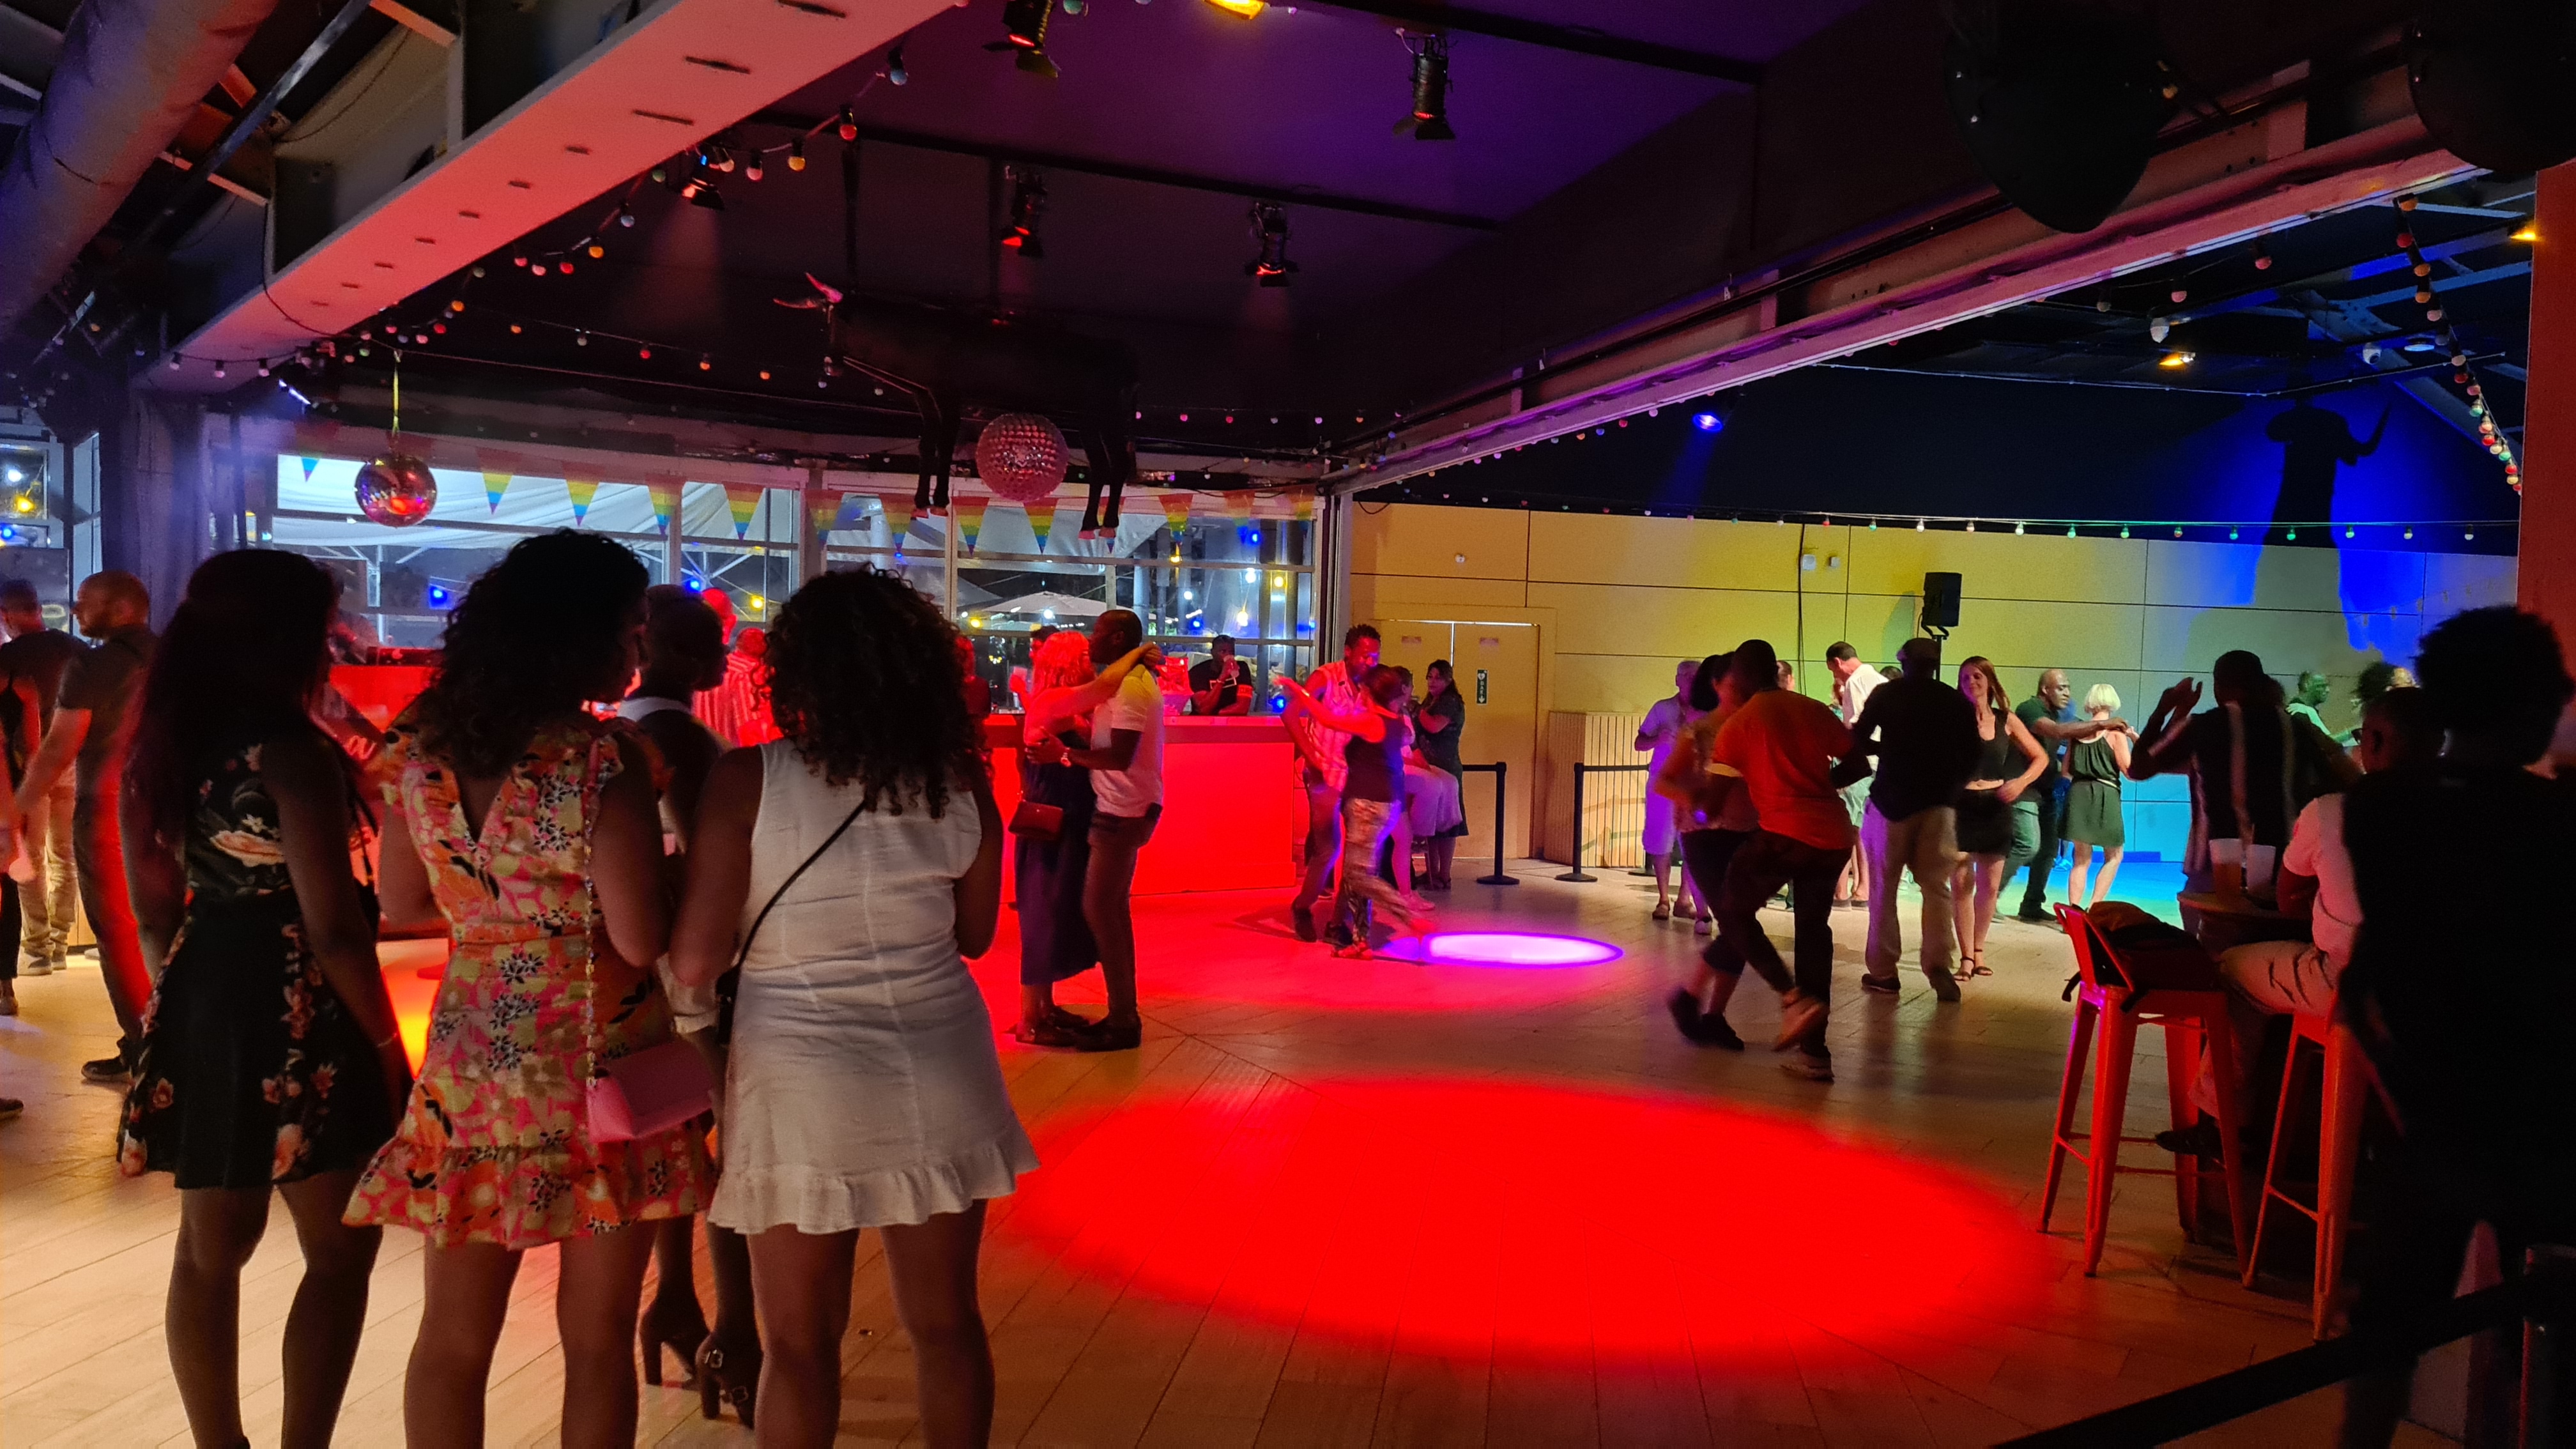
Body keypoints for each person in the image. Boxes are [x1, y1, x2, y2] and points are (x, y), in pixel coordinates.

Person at [345, 533, 712, 1449]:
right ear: (581, 634)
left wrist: (493, 913)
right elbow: (638, 937)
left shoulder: (421, 742)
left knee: (452, 1339)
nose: (637, 648)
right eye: (630, 627)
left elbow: (401, 902)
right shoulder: (599, 759)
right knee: (595, 1342)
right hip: (599, 1066)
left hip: (471, 1059)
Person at [670, 567, 1033, 1449]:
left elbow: (697, 960)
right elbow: (976, 935)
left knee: (799, 1347)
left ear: (797, 672)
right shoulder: (958, 781)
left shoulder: (749, 780)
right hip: (939, 1061)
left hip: (798, 1077)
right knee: (947, 1325)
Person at [111, 550, 408, 1449]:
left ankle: (220, 1446)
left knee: (210, 1248)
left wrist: (181, 1009)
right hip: (303, 998)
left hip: (207, 988)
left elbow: (153, 914)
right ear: (286, 641)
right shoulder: (291, 756)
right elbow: (336, 930)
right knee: (341, 1246)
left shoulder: (159, 751)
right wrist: (390, 1050)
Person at [2330, 607, 2576, 1448]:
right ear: (2536, 703)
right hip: (2546, 1117)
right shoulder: (2556, 820)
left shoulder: (2382, 808)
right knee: (2545, 1336)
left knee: (2389, 1327)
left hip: (2430, 1112)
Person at [2158, 686, 2441, 1159]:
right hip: (2441, 995)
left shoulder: (2332, 811)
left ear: (2373, 740)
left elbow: (2288, 900)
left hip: (2350, 985)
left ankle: (2224, 1128)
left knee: (2232, 971)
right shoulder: (2472, 817)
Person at [613, 585, 758, 1422]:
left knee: (680, 1137)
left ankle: (674, 1300)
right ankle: (735, 1332)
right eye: (708, 644)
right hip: (699, 965)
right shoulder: (673, 732)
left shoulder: (627, 725)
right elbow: (713, 855)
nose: (720, 658)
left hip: (656, 964)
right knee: (732, 1148)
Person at [12, 570, 156, 1084]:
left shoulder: (92, 667)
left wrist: (16, 808)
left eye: (85, 602)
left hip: (107, 808)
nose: (75, 610)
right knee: (165, 926)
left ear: (120, 609)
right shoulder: (175, 659)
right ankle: (178, 1043)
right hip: (168, 809)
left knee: (118, 932)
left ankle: (144, 1045)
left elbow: (58, 748)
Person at [1703, 640, 1855, 1081]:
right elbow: (1858, 764)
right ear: (1775, 670)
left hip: (1785, 835)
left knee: (1733, 910)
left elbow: (1710, 806)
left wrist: (1692, 803)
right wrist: (1818, 786)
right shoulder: (1811, 709)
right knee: (1813, 933)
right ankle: (1815, 1055)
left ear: (1741, 678)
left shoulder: (1740, 724)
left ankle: (1792, 998)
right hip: (1833, 835)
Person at [1012, 629, 1162, 1047]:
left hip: (1070, 819)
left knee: (1057, 911)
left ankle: (1045, 1008)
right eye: (1081, 653)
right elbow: (1107, 684)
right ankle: (1030, 1018)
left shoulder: (1070, 703)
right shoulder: (1052, 701)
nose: (1090, 656)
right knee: (1043, 914)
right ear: (1065, 662)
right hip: (1052, 823)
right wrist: (1138, 652)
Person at [2129, 648, 2358, 900]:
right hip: (2281, 869)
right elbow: (2334, 784)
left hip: (2212, 868)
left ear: (2218, 686)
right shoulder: (2296, 728)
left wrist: (2165, 710)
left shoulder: (2204, 726)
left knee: (2208, 921)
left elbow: (2139, 768)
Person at [1837, 638, 1981, 1000]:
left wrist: (1887, 749)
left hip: (1891, 802)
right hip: (1939, 806)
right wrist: (1951, 787)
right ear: (1935, 664)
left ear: (1903, 660)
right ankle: (1939, 966)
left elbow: (1857, 739)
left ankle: (1884, 972)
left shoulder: (1888, 694)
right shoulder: (1953, 701)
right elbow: (1973, 754)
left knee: (1883, 890)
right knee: (1936, 888)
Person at [1657, 653, 1765, 1045]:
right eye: (1735, 681)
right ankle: (1696, 1002)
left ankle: (1706, 1009)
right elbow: (1665, 782)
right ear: (1718, 685)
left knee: (1741, 926)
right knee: (1740, 926)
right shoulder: (1699, 731)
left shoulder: (1756, 728)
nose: (1743, 689)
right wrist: (1700, 802)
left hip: (1749, 833)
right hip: (1706, 838)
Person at [1282, 664, 1422, 958]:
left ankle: (1410, 916)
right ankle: (1361, 941)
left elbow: (1327, 719)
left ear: (1370, 692)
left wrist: (1297, 691)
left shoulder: (1372, 722)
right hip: (1387, 806)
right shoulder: (1396, 722)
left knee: (1358, 875)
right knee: (1357, 869)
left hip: (1366, 806)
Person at [0, 579, 82, 979]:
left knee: (29, 858)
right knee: (64, 855)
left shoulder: (8, 657)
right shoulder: (75, 649)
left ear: (7, 615)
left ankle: (37, 951)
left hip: (28, 768)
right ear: (38, 608)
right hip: (72, 762)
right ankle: (61, 944)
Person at [1949, 657, 2047, 978]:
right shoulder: (1953, 720)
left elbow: (2040, 757)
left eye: (1977, 676)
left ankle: (1979, 951)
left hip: (1996, 806)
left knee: (1990, 886)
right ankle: (1965, 956)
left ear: (1990, 681)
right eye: (1965, 677)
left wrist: (2020, 783)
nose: (1971, 682)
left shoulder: (2007, 720)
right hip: (1961, 805)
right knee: (1961, 884)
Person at [1285, 625, 1380, 943]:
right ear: (1348, 652)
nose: (1370, 662)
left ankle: (1339, 922)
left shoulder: (1371, 685)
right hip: (1324, 771)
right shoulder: (1326, 677)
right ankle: (1302, 906)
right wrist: (1312, 759)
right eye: (1365, 655)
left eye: (1375, 656)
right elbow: (1291, 714)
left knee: (1355, 852)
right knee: (1328, 848)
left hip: (1355, 775)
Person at [2010, 668, 2120, 923]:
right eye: (2061, 688)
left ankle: (2034, 905)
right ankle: (1989, 898)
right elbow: (2058, 732)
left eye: (2068, 688)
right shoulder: (2030, 709)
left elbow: (2066, 766)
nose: (2067, 693)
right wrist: (2104, 726)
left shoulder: (2063, 719)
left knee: (2052, 851)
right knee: (2028, 845)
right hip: (2025, 789)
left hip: (2048, 790)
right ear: (2045, 689)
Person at [1634, 659, 1704, 921]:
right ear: (1677, 680)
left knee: (1693, 843)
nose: (1691, 681)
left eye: (1696, 676)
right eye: (1687, 677)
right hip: (1663, 784)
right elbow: (1639, 743)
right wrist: (1657, 739)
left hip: (1694, 785)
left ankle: (1684, 899)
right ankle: (1663, 898)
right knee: (1660, 839)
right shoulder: (1662, 709)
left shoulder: (1707, 711)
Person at [2060, 684, 2133, 910]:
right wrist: (2135, 740)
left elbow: (2066, 771)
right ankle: (2095, 907)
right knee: (2114, 855)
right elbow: (2129, 771)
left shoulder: (2077, 733)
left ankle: (2074, 911)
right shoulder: (2116, 734)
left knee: (2080, 858)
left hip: (2078, 793)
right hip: (2106, 793)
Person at [1825, 643, 1885, 911]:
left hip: (1862, 762)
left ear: (1838, 662)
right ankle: (1864, 888)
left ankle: (1841, 892)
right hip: (1880, 764)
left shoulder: (1855, 682)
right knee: (1864, 829)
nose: (1836, 678)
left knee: (1845, 825)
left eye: (1833, 671)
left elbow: (1858, 724)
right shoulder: (1880, 680)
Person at [1413, 659, 1469, 891]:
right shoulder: (1430, 701)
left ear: (1448, 679)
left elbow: (1434, 726)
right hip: (1428, 767)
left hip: (1446, 769)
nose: (1432, 682)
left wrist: (1416, 709)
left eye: (1438, 677)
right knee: (1432, 823)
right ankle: (1432, 873)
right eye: (1430, 677)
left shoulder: (1450, 702)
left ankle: (1444, 875)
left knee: (1447, 823)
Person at [1188, 634, 1255, 716]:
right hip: (1203, 722)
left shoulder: (1242, 668)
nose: (1228, 656)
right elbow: (1203, 709)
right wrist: (1222, 678)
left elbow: (1243, 707)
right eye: (1223, 652)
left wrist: (1216, 714)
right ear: (1213, 653)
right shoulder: (1198, 672)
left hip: (1231, 721)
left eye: (1231, 652)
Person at [2286, 670, 2331, 734]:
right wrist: (2312, 713)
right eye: (2322, 686)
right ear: (2306, 685)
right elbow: (2327, 740)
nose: (2328, 690)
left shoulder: (2307, 711)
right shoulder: (2298, 713)